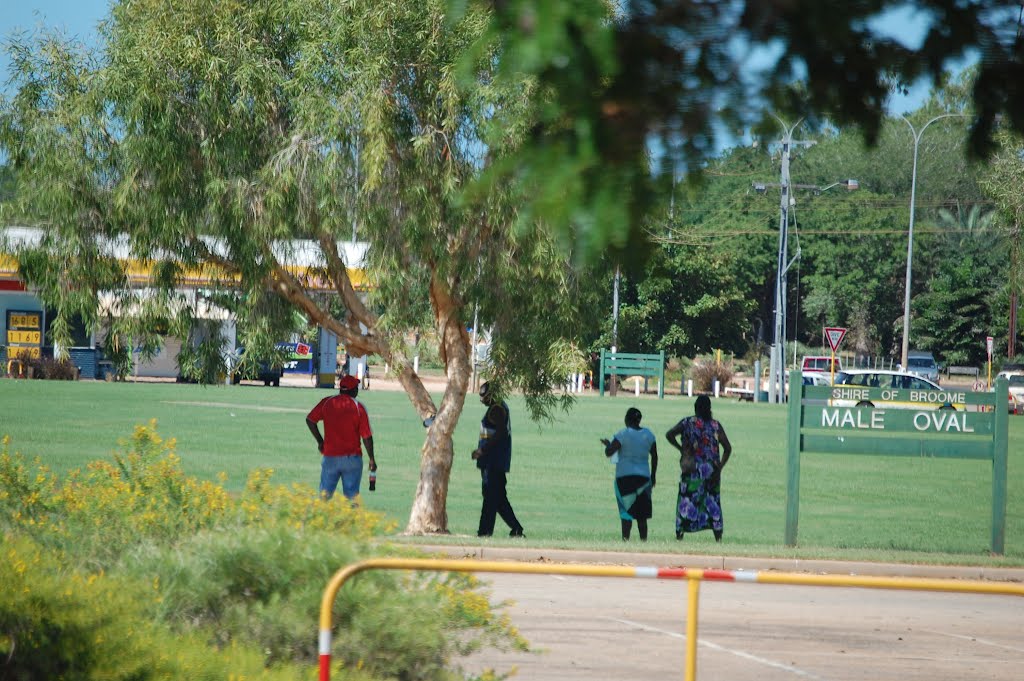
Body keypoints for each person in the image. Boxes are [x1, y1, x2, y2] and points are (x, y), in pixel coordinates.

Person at [665, 395, 732, 542]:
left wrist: (681, 449)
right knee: (712, 503)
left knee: (686, 500)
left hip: (691, 470)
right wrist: (720, 467)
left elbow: (669, 434)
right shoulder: (715, 425)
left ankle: (680, 534)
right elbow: (728, 448)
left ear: (695, 408)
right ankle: (718, 537)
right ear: (709, 409)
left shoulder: (687, 423)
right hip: (711, 472)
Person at [306, 374, 376, 500]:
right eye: (356, 387)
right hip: (352, 459)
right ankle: (351, 520)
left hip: (330, 458)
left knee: (324, 498)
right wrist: (371, 459)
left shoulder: (327, 402)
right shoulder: (358, 407)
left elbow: (310, 420)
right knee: (352, 500)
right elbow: (367, 437)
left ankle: (320, 519)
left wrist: (320, 441)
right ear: (353, 390)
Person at [471, 382, 525, 537]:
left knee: (490, 498)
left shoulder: (496, 410)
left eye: (484, 397)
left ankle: (484, 533)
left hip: (492, 462)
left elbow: (499, 433)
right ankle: (516, 529)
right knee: (499, 499)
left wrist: (482, 450)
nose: (482, 400)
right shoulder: (501, 406)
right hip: (496, 462)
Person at [600, 407, 658, 541]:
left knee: (626, 513)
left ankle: (625, 541)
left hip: (624, 478)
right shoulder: (648, 434)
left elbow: (609, 452)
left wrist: (609, 445)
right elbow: (655, 456)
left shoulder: (622, 434)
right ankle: (643, 541)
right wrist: (653, 475)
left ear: (627, 420)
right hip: (644, 477)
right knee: (642, 515)